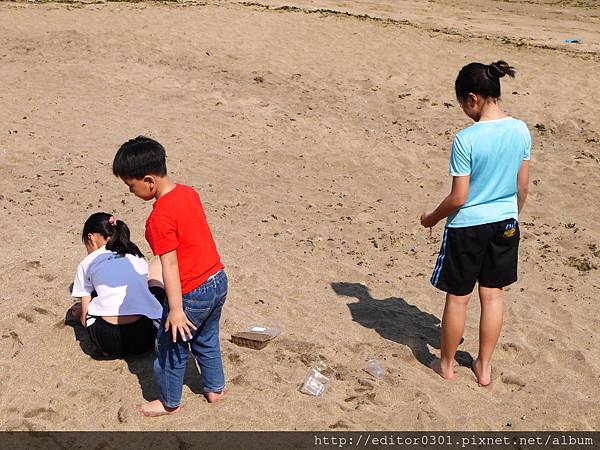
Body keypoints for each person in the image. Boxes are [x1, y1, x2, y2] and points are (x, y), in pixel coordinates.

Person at [420, 61, 530, 386]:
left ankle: (447, 365)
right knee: (493, 295)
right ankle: (484, 366)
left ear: (472, 99)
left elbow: (458, 197)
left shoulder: (466, 139)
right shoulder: (520, 129)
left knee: (458, 298)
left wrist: (431, 218)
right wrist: (512, 214)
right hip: (505, 222)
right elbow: (522, 185)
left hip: (467, 227)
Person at [112, 136, 227, 417]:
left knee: (170, 347)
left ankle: (168, 401)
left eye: (132, 186)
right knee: (207, 337)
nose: (131, 192)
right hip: (217, 278)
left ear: (149, 181)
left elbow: (170, 266)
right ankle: (214, 388)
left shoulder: (158, 218)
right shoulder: (189, 193)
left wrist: (175, 309)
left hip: (191, 291)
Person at [70, 212, 165, 358]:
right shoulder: (134, 254)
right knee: (157, 263)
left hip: (107, 340)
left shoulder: (87, 263)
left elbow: (85, 320)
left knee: (84, 309)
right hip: (145, 337)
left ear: (91, 237)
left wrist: (81, 314)